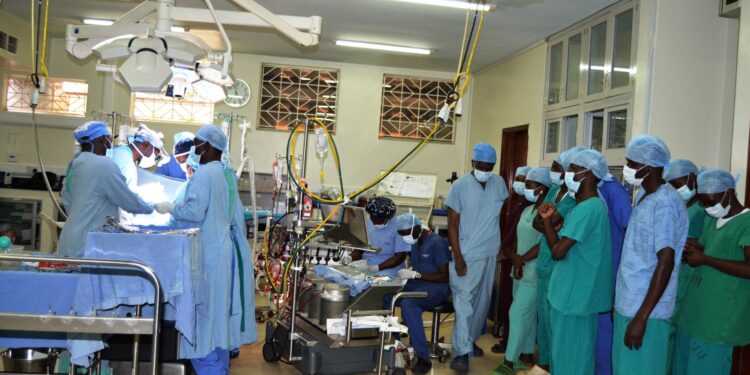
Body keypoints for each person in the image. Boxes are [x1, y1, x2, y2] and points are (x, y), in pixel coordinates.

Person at [154, 124, 257, 374]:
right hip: (226, 253)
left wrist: (171, 207)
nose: (194, 149)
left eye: (198, 144)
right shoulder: (226, 172)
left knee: (203, 316)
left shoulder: (203, 174)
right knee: (219, 315)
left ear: (209, 146)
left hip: (209, 254)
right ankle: (219, 367)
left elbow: (193, 211)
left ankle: (210, 367)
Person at [612, 135, 688, 375]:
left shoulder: (665, 203)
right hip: (630, 303)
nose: (628, 169)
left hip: (647, 312)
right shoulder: (646, 196)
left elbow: (665, 262)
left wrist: (641, 318)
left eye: (632, 163)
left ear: (650, 167)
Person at [538, 149, 612, 375]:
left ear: (588, 174)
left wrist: (548, 222)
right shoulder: (589, 207)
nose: (567, 174)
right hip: (573, 297)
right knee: (566, 358)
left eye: (572, 170)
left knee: (572, 361)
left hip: (575, 299)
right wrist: (549, 221)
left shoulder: (589, 208)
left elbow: (558, 251)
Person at [673, 169, 750, 375]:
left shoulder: (746, 223)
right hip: (692, 315)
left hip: (717, 321)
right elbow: (705, 244)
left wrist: (705, 259)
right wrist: (677, 242)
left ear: (730, 192)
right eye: (704, 202)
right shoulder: (712, 219)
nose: (708, 207)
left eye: (711, 201)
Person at [445, 143, 509, 372]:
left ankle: (470, 340)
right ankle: (461, 353)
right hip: (467, 253)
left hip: (489, 252)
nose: (486, 169)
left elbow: (497, 217)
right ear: (473, 163)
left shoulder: (499, 183)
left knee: (483, 301)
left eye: (490, 166)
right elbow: (452, 224)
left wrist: (499, 244)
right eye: (482, 165)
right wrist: (458, 256)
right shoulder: (460, 187)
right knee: (464, 303)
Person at [58, 121, 155, 257]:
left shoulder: (75, 163)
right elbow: (127, 200)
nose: (111, 144)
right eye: (110, 139)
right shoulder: (103, 164)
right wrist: (153, 206)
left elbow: (67, 201)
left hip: (70, 237)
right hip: (88, 242)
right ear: (103, 139)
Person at [493, 168, 552, 375]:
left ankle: (508, 362)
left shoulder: (547, 213)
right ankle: (525, 355)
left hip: (534, 271)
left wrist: (523, 260)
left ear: (541, 188)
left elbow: (544, 243)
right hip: (519, 269)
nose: (525, 188)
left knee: (516, 313)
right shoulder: (527, 210)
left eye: (528, 185)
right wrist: (515, 259)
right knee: (527, 317)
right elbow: (519, 235)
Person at [532, 146, 582, 371]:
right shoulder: (554, 192)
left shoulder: (573, 200)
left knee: (554, 325)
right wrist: (549, 223)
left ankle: (554, 366)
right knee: (543, 320)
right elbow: (539, 222)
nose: (552, 171)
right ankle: (542, 365)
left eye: (557, 167)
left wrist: (548, 222)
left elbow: (549, 223)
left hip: (557, 265)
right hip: (544, 260)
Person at [384, 213, 451, 374]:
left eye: (406, 233)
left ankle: (423, 357)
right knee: (387, 297)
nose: (404, 237)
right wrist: (407, 274)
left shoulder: (437, 243)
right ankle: (396, 345)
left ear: (417, 228)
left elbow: (444, 276)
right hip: (417, 284)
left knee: (409, 304)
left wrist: (417, 275)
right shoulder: (415, 242)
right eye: (401, 235)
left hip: (436, 287)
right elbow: (418, 265)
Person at [493, 165, 532, 353]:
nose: (520, 184)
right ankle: (507, 338)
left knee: (515, 307)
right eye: (518, 179)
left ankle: (512, 345)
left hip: (519, 260)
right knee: (507, 302)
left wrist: (507, 251)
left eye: (525, 180)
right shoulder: (517, 203)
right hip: (510, 256)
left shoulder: (529, 206)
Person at [664, 159, 707, 315]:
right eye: (672, 186)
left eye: (677, 185)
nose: (676, 190)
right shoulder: (683, 203)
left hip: (693, 269)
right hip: (679, 267)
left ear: (691, 177)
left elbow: (709, 242)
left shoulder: (704, 208)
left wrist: (677, 239)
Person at [350, 197, 410, 277]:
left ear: (388, 217)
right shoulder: (368, 222)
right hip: (366, 265)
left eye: (377, 218)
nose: (374, 221)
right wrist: (349, 258)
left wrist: (376, 268)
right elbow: (360, 249)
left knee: (372, 283)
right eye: (372, 217)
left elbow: (399, 257)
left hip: (389, 268)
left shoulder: (400, 227)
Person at [111, 124, 164, 190]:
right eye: (155, 154)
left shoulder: (120, 151)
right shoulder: (125, 161)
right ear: (146, 144)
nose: (154, 158)